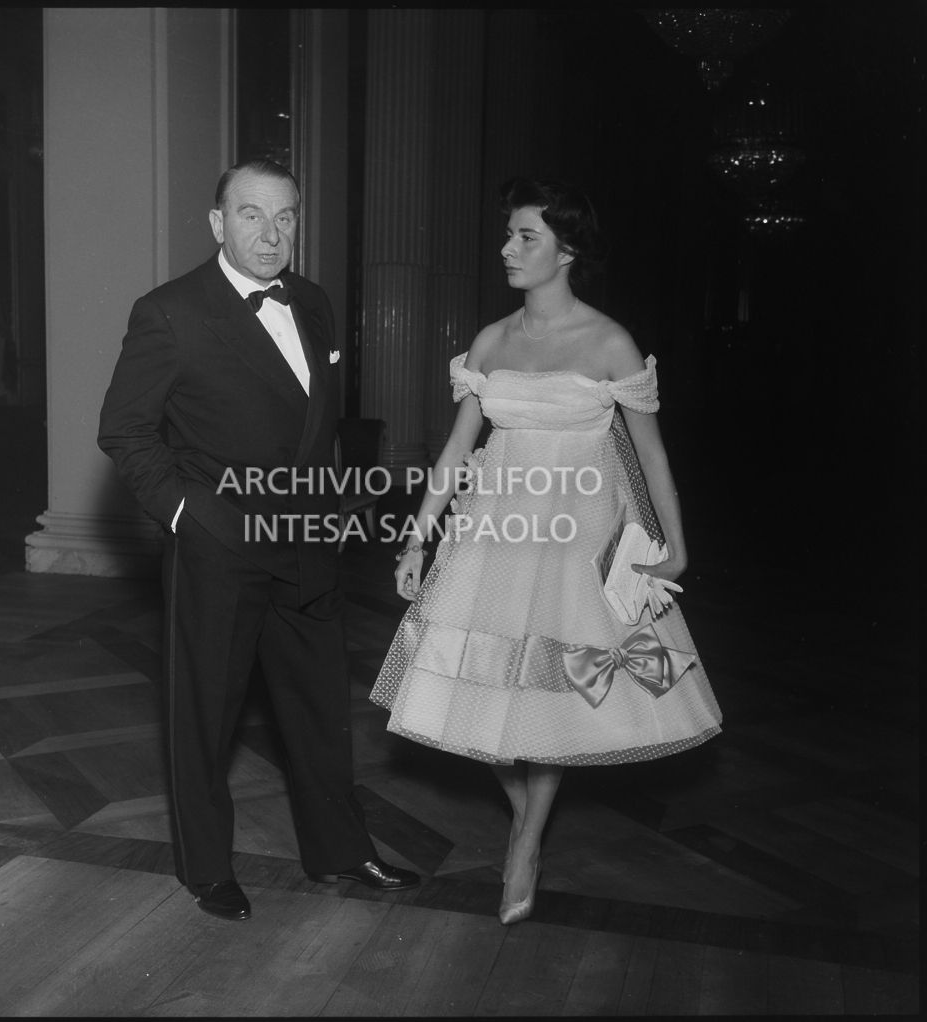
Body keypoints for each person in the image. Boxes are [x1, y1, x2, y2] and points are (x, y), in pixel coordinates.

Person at [369, 176, 721, 925]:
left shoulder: (608, 341)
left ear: (566, 251)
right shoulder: (491, 340)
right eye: (508, 234)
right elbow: (458, 448)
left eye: (524, 236)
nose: (507, 248)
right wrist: (416, 538)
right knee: (484, 686)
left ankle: (525, 841)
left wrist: (677, 544)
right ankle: (529, 818)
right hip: (495, 528)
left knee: (554, 682)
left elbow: (652, 457)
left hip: (580, 529)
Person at [98, 158, 419, 922]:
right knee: (204, 714)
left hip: (307, 540)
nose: (270, 234)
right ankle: (207, 868)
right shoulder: (170, 312)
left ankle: (343, 849)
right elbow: (125, 430)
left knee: (318, 710)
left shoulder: (312, 301)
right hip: (218, 548)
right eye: (251, 215)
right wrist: (190, 519)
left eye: (285, 216)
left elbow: (321, 425)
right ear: (218, 223)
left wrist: (338, 507)